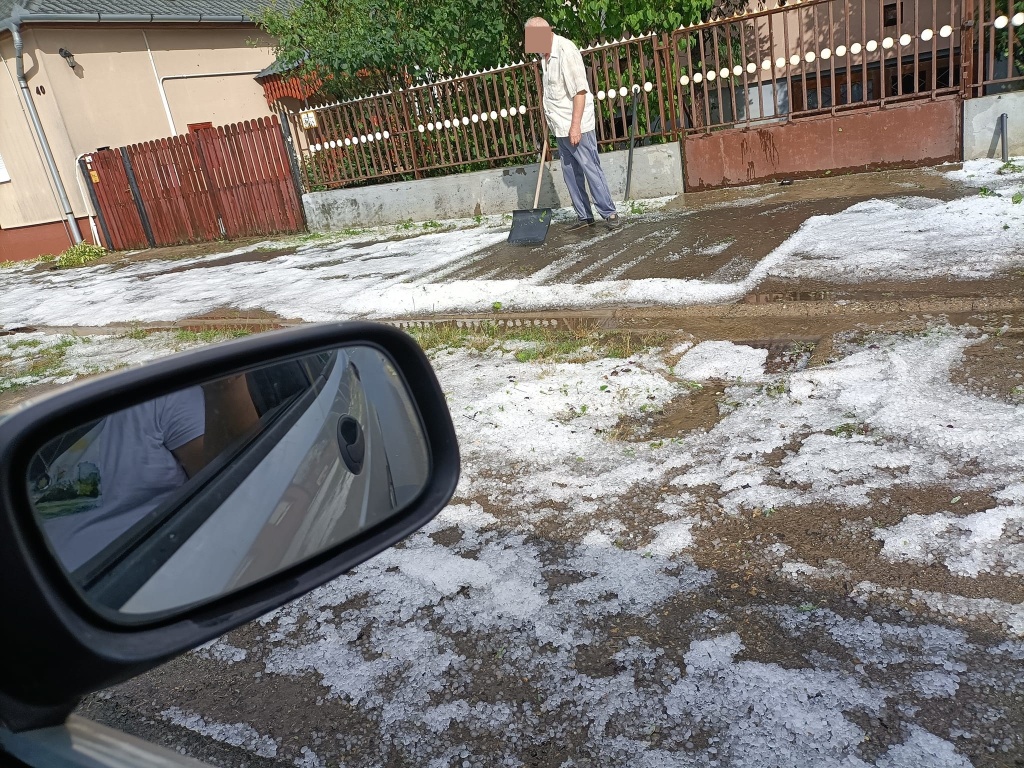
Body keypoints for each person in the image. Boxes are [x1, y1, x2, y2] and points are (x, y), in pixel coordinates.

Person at [31, 374, 260, 572]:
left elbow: (228, 484)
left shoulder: (163, 395)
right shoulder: (26, 421)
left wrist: (228, 385)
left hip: (143, 577)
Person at [525, 17, 621, 231]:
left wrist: (575, 126)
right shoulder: (545, 56)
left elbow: (580, 91)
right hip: (560, 126)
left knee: (590, 168)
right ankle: (584, 216)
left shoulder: (565, 51)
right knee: (570, 173)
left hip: (576, 126)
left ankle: (610, 213)